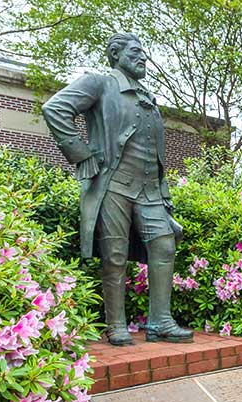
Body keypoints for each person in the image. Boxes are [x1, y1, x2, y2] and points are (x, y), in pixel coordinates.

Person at [41, 33, 193, 346]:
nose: (143, 59)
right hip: (114, 186)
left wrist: (164, 194)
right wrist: (82, 155)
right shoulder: (99, 83)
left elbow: (154, 152)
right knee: (114, 255)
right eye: (136, 52)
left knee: (164, 246)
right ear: (116, 53)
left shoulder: (147, 96)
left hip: (150, 190)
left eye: (144, 54)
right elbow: (55, 108)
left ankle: (161, 322)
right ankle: (116, 325)